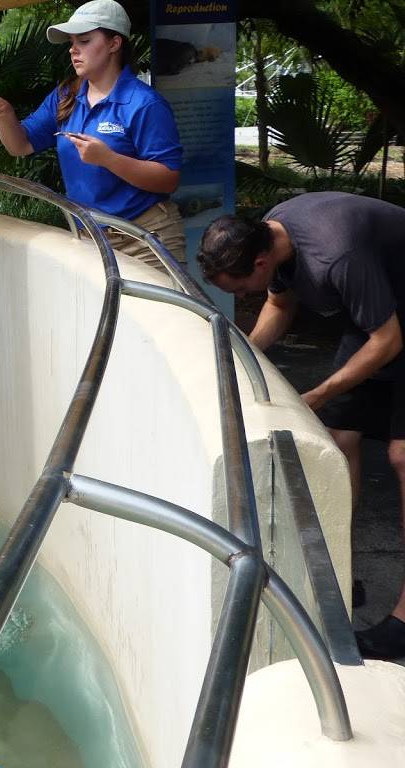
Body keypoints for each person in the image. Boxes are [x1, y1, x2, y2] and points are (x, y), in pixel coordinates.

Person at [197, 191, 405, 659]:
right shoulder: (272, 229)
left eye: (243, 287)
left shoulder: (338, 254)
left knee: (401, 457)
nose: (246, 297)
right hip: (378, 317)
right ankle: (340, 572)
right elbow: (279, 305)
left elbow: (387, 341)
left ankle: (403, 623)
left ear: (261, 259)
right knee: (337, 438)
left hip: (386, 329)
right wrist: (239, 359)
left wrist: (317, 393)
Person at [0, 0, 184, 267]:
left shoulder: (145, 104)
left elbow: (168, 179)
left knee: (156, 311)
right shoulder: (65, 96)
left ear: (114, 44)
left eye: (84, 41)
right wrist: (4, 114)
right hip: (91, 238)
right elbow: (21, 145)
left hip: (146, 237)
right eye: (72, 42)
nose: (73, 50)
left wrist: (108, 159)